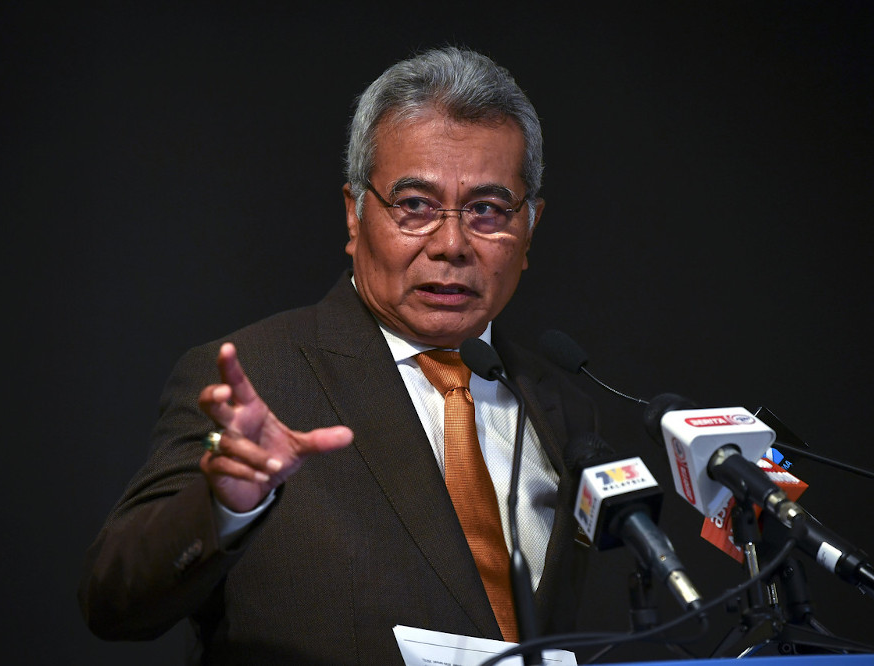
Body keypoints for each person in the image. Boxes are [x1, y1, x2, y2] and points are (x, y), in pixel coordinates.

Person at [79, 46, 601, 665]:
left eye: (487, 210)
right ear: (355, 216)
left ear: (530, 227)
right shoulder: (260, 376)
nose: (453, 244)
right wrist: (223, 506)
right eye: (415, 206)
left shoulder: (560, 406)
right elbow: (114, 599)